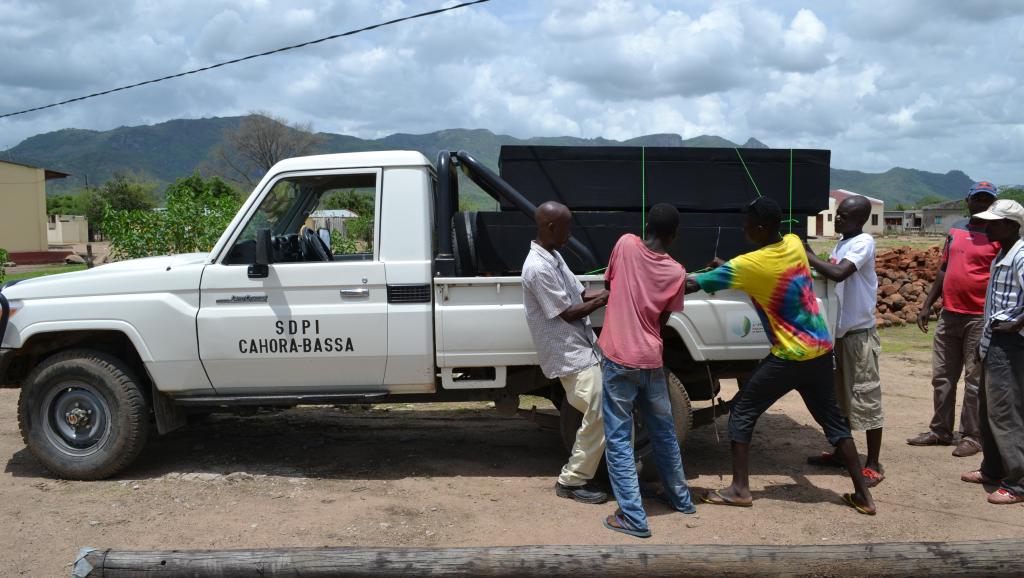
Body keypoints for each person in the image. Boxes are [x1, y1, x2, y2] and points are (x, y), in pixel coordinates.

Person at [685, 197, 876, 515]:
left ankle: (739, 489)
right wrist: (726, 269)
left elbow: (692, 284)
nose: (744, 231)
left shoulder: (747, 265)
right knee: (834, 424)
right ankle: (863, 497)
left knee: (743, 412)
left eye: (747, 226)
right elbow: (760, 272)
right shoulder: (793, 244)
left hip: (789, 356)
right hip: (820, 350)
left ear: (760, 228)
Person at [598, 203, 696, 538]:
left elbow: (610, 286)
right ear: (674, 234)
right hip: (651, 359)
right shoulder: (677, 272)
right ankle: (681, 500)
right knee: (664, 432)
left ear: (646, 226)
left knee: (619, 440)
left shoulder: (625, 244)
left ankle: (633, 517)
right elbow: (663, 319)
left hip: (618, 357)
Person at [521, 201, 610, 505]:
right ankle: (571, 480)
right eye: (566, 228)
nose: (569, 235)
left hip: (583, 349)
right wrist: (604, 301)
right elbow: (568, 312)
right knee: (599, 408)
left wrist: (613, 291)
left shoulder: (554, 257)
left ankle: (601, 469)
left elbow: (580, 293)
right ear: (549, 227)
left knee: (602, 408)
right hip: (569, 354)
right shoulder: (537, 268)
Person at [908, 182, 1000, 457]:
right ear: (968, 200)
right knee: (942, 377)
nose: (982, 204)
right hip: (949, 314)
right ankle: (940, 430)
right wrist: (927, 305)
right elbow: (944, 269)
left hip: (980, 317)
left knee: (974, 380)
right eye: (978, 199)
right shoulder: (957, 229)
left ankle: (972, 436)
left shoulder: (999, 234)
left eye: (988, 199)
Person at [803, 196, 885, 487]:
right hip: (838, 335)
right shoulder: (842, 243)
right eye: (838, 214)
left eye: (845, 215)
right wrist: (807, 249)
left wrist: (806, 253)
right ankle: (841, 453)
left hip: (858, 336)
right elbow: (828, 269)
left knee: (866, 398)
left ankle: (873, 463)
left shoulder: (863, 242)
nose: (838, 219)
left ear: (860, 219)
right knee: (840, 401)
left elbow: (838, 273)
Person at [960, 199, 1024, 504]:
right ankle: (993, 468)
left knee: (1006, 412)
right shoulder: (1004, 253)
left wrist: (1016, 324)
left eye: (994, 222)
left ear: (1011, 226)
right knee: (988, 410)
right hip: (994, 341)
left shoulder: (1022, 255)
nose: (987, 227)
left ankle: (1018, 482)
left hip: (1012, 343)